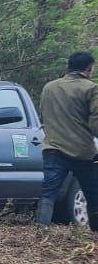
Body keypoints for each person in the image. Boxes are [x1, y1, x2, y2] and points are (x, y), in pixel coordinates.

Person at [36, 51, 98, 230]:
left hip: (53, 147)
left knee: (49, 192)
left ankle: (42, 229)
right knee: (93, 194)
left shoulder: (49, 87)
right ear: (88, 69)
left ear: (68, 67)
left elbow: (44, 115)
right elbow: (95, 122)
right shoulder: (91, 88)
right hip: (82, 150)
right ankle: (95, 234)